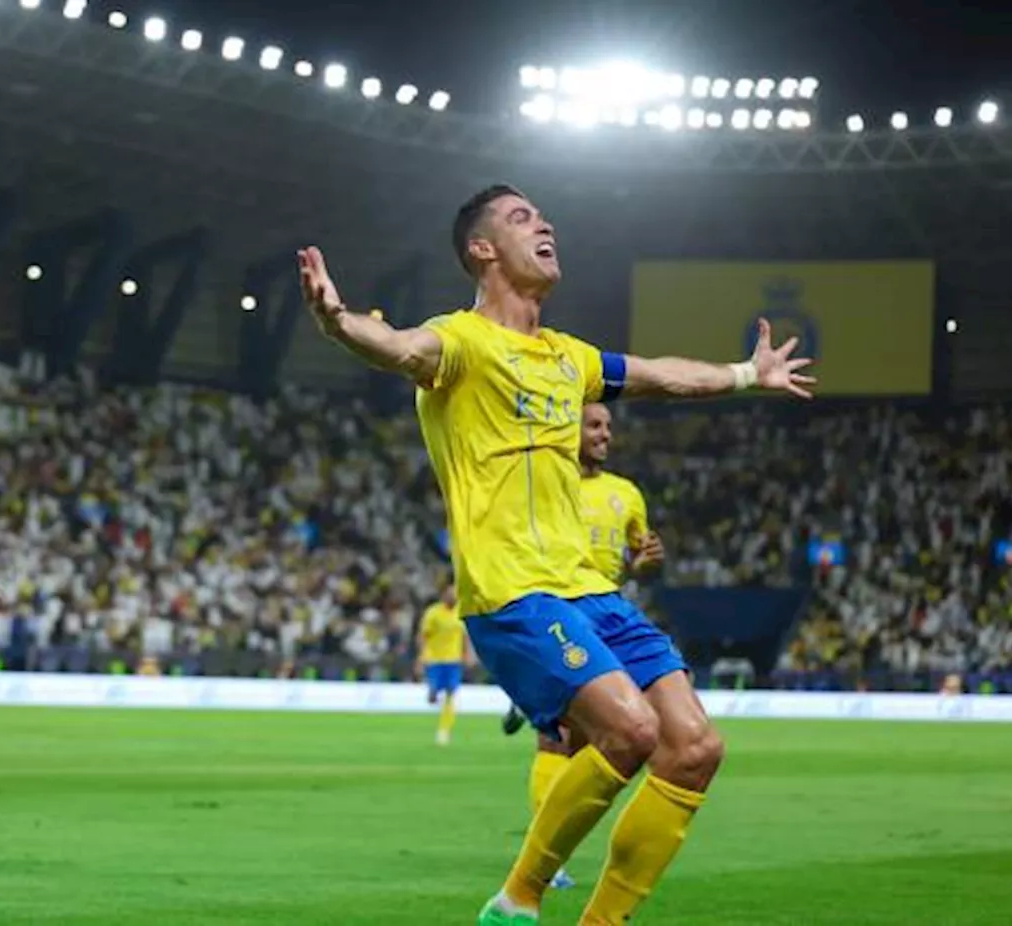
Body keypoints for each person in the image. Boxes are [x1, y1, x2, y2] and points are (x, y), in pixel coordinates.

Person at [297, 184, 814, 925]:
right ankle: (517, 899)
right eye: (520, 218)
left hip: (593, 594)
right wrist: (336, 320)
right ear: (482, 250)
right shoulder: (462, 342)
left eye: (542, 217)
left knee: (695, 747)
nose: (544, 225)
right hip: (513, 593)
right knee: (630, 731)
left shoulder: (569, 359)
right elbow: (401, 347)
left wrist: (744, 375)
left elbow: (662, 375)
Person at [503, 402, 666, 891]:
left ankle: (521, 699)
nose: (605, 435)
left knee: (605, 739)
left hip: (608, 610)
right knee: (556, 737)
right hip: (555, 610)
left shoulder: (626, 494)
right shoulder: (541, 482)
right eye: (594, 426)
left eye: (608, 427)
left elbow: (640, 557)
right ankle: (548, 867)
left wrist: (647, 562)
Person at [415, 582, 466, 746]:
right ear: (443, 595)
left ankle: (444, 730)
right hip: (435, 659)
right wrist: (421, 656)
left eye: (455, 593)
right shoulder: (433, 613)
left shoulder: (461, 612)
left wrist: (467, 654)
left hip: (454, 659)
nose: (453, 596)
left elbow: (464, 634)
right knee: (433, 694)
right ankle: (433, 694)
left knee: (452, 693)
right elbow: (423, 635)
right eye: (450, 593)